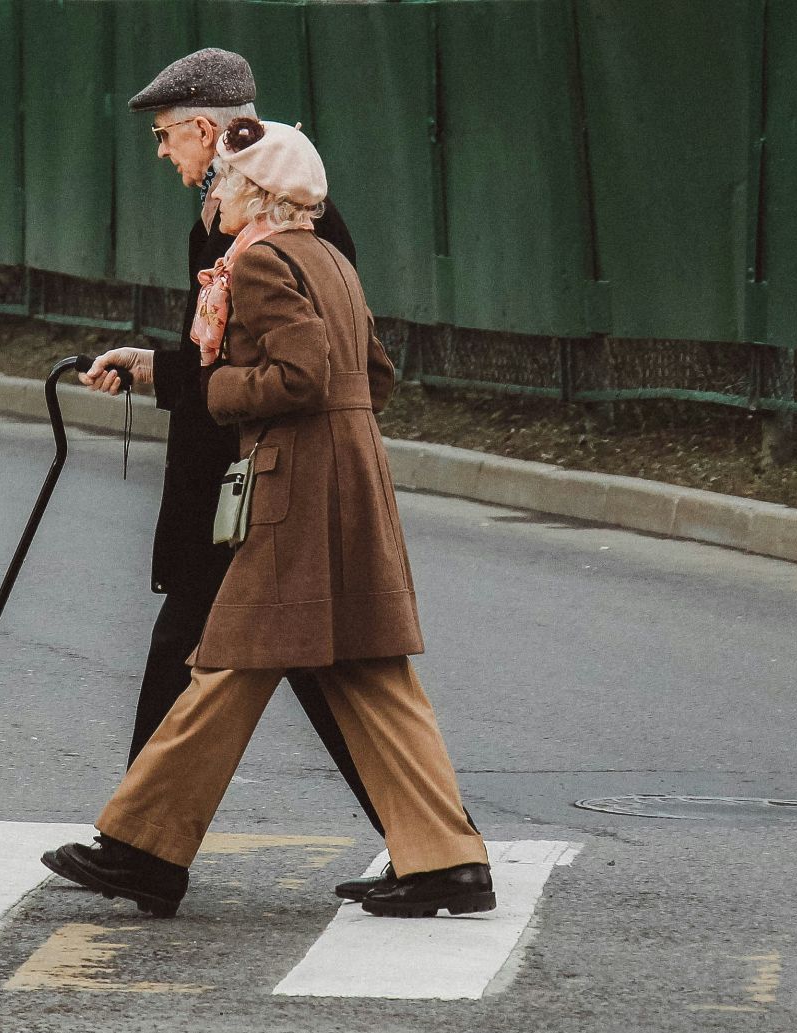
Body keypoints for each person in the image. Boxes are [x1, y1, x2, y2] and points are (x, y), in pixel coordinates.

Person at [45, 118, 494, 920]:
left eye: (222, 181)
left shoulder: (257, 263)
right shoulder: (325, 259)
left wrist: (220, 396)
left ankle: (144, 849)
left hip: (294, 491)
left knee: (227, 665)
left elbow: (301, 374)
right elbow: (373, 375)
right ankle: (449, 863)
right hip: (352, 479)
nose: (211, 192)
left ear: (253, 191)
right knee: (369, 670)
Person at [80, 48, 393, 902]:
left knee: (281, 669)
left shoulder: (262, 231)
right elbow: (217, 357)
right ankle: (139, 850)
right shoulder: (253, 220)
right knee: (230, 659)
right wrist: (155, 366)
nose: (163, 155)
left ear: (207, 131)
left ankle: (141, 850)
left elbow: (293, 370)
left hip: (260, 489)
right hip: (246, 484)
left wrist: (168, 374)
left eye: (166, 137)